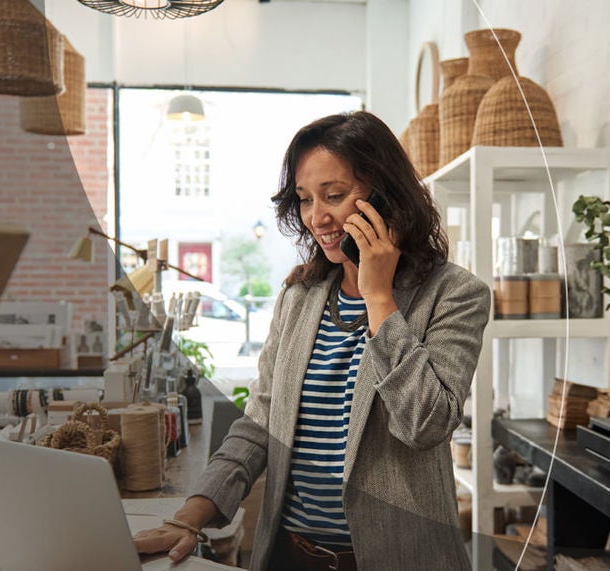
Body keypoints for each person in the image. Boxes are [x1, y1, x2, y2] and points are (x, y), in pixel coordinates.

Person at [133, 111, 491, 570]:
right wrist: (189, 517)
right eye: (304, 200)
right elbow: (260, 424)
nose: (317, 217)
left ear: (385, 197)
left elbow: (425, 425)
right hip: (291, 556)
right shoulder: (300, 297)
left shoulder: (454, 294)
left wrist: (378, 296)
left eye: (334, 196)